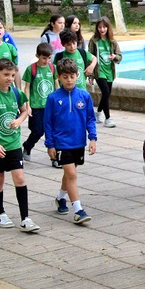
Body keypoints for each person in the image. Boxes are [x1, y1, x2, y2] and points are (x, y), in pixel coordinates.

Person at [43, 58, 97, 225]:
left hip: (78, 143)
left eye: (72, 76)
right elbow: (48, 122)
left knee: (70, 173)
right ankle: (78, 210)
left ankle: (60, 198)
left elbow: (90, 118)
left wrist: (92, 138)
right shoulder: (53, 98)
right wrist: (50, 144)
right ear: (59, 77)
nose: (69, 80)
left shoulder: (84, 96)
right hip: (61, 143)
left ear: (77, 76)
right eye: (65, 77)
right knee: (72, 174)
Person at [0, 58, 37, 233]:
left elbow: (25, 111)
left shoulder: (16, 93)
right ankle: (0, 212)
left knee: (20, 178)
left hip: (13, 143)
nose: (10, 78)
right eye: (6, 74)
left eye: (12, 75)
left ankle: (25, 218)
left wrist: (18, 120)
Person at [21, 43, 57, 161]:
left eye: (49, 58)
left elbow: (56, 84)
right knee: (37, 131)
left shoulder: (52, 68)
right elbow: (26, 87)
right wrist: (28, 105)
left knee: (51, 132)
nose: (46, 61)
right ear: (37, 56)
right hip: (36, 107)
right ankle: (28, 145)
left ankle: (54, 158)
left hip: (50, 107)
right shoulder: (31, 69)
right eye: (44, 58)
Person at [87, 17, 122, 128]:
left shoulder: (112, 41)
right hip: (99, 71)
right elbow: (89, 57)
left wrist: (114, 56)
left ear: (108, 28)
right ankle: (108, 118)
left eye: (104, 27)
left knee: (107, 94)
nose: (102, 29)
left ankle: (98, 112)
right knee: (106, 93)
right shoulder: (94, 41)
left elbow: (120, 56)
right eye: (100, 27)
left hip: (109, 71)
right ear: (97, 28)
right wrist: (91, 75)